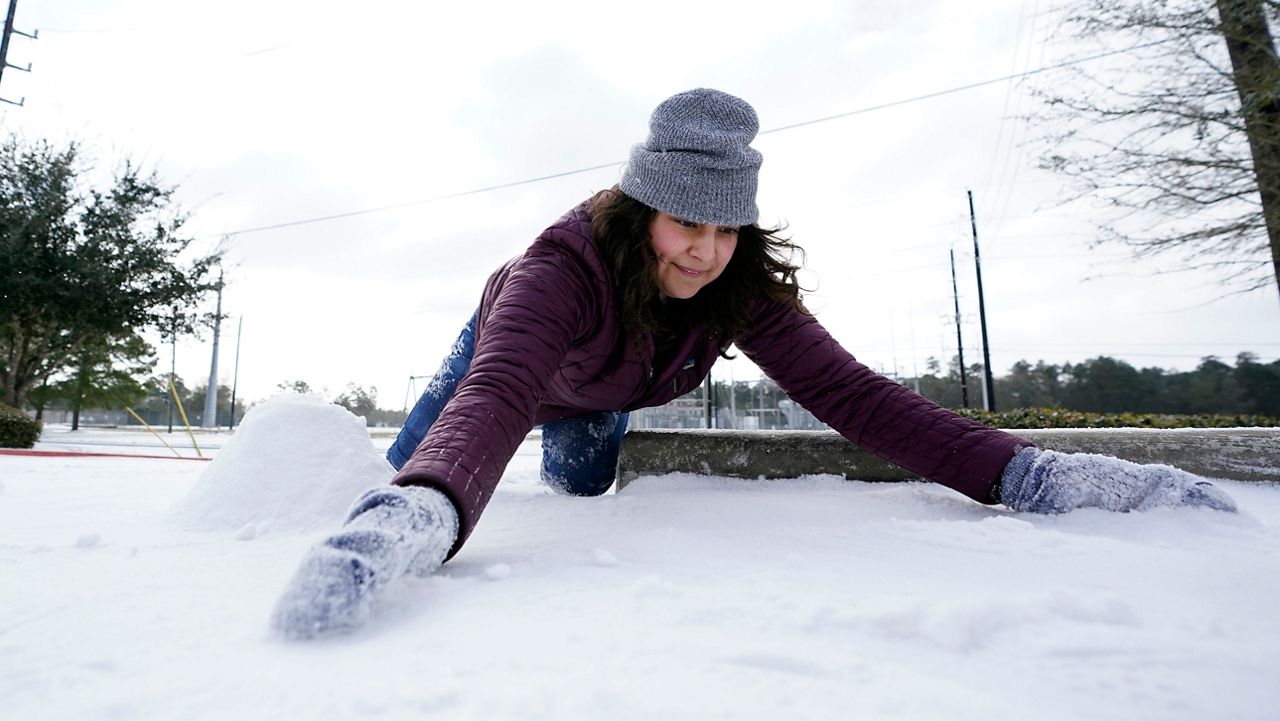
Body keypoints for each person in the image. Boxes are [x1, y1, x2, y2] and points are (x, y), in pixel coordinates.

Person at [271, 88, 1238, 639]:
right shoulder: (557, 271)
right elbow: (497, 390)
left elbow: (847, 392)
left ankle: (567, 437)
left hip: (604, 393)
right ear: (641, 208)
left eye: (727, 228)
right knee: (413, 464)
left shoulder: (736, 280)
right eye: (686, 223)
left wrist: (1029, 472)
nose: (706, 250)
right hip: (504, 364)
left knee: (581, 481)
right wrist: (416, 514)